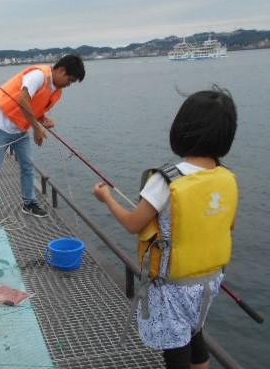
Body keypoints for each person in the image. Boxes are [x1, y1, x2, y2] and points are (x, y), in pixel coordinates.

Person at [92, 87, 238, 369]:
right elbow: (226, 226)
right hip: (208, 282)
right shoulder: (226, 177)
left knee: (176, 352)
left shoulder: (166, 180)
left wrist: (107, 197)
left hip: (173, 287)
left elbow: (133, 224)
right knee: (196, 336)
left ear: (181, 129)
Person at [0, 55, 86, 225]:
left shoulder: (56, 90)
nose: (69, 84)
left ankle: (28, 203)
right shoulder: (38, 75)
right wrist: (37, 127)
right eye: (70, 79)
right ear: (61, 70)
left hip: (20, 129)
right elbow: (23, 99)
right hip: (1, 125)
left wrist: (42, 119)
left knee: (28, 166)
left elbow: (35, 106)